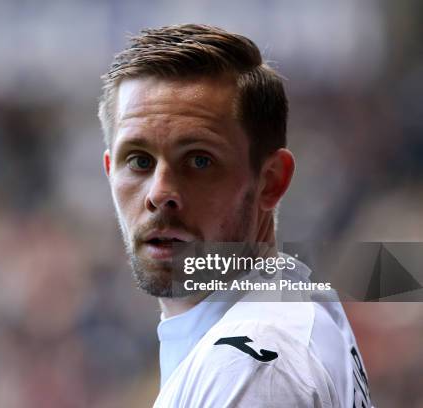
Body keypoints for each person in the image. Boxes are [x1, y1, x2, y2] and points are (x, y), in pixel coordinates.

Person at [98, 24, 372, 407]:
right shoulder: (285, 304)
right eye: (139, 161)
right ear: (110, 171)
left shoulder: (250, 367)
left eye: (198, 160)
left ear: (271, 181)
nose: (160, 193)